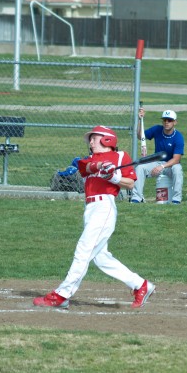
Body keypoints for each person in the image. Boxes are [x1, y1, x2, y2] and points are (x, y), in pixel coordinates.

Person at [33, 125, 156, 309]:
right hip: (90, 208)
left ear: (107, 139)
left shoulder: (121, 156)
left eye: (94, 137)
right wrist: (102, 167)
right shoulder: (87, 160)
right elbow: (87, 167)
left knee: (84, 249)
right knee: (101, 257)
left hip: (104, 207)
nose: (90, 141)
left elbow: (130, 183)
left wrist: (113, 177)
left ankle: (62, 295)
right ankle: (141, 285)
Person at [130, 108, 184, 204]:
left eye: (170, 120)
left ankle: (176, 199)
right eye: (164, 120)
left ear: (175, 122)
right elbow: (140, 136)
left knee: (178, 169)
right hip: (157, 162)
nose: (166, 122)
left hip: (171, 165)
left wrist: (162, 166)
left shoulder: (178, 137)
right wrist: (140, 120)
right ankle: (137, 198)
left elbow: (176, 159)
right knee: (140, 167)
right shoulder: (157, 129)